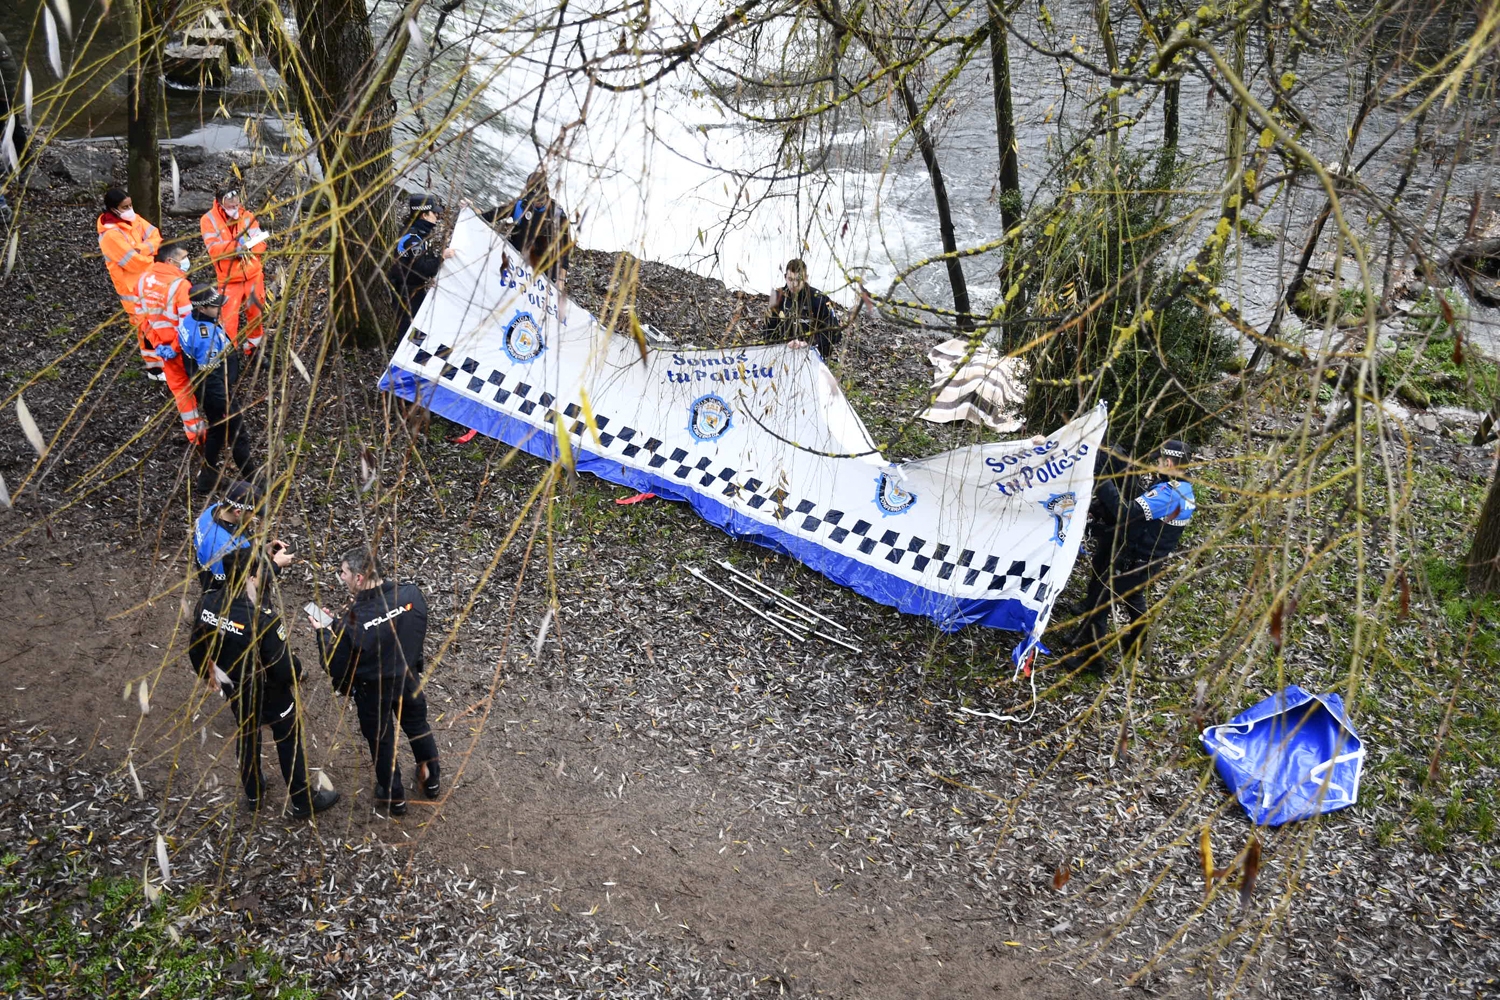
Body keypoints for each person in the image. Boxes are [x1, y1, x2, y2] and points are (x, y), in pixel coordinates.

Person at [188, 547, 339, 818]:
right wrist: (298, 669)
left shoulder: (207, 602)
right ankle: (302, 799)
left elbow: (196, 647)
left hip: (234, 687)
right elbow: (282, 666)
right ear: (252, 577)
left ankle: (254, 793)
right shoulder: (262, 619)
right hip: (269, 692)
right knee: (288, 738)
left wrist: (208, 675)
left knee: (247, 735)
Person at [311, 545, 440, 817]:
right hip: (409, 679)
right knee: (418, 727)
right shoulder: (411, 595)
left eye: (343, 572)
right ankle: (432, 779)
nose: (341, 577)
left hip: (374, 692)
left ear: (359, 577)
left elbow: (335, 665)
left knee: (382, 742)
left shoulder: (353, 621)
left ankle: (393, 797)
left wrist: (324, 633)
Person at [1059, 439, 1197, 672]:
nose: (1157, 465)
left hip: (1135, 561)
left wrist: (1102, 480)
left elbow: (1126, 512)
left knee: (1099, 606)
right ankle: (1137, 642)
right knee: (1134, 598)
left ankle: (1094, 661)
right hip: (1149, 561)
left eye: (1161, 461)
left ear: (1170, 462)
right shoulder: (1182, 488)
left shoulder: (1169, 494)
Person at [170, 283, 258, 493]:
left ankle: (206, 479)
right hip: (216, 392)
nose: (219, 309)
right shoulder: (204, 337)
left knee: (217, 432)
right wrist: (225, 401)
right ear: (201, 308)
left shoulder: (189, 321)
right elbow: (211, 375)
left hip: (207, 389)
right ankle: (255, 482)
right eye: (214, 306)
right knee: (238, 435)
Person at [135, 243, 203, 445]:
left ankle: (195, 435)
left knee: (181, 391)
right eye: (184, 257)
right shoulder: (180, 286)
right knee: (204, 383)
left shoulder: (142, 281)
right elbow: (187, 324)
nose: (187, 261)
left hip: (165, 351)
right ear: (170, 261)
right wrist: (173, 347)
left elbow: (142, 319)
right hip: (185, 349)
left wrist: (158, 346)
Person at [97, 188, 164, 379]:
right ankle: (154, 369)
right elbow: (133, 262)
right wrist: (150, 254)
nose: (130, 209)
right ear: (113, 209)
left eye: (130, 205)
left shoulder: (131, 219)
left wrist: (140, 248)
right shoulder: (111, 235)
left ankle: (160, 363)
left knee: (156, 323)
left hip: (147, 282)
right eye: (124, 207)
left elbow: (155, 235)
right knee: (145, 327)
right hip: (132, 289)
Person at [200, 186, 268, 352]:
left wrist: (250, 251)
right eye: (230, 206)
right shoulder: (208, 220)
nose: (234, 209)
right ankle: (229, 357)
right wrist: (235, 249)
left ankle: (253, 349)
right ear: (219, 203)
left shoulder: (247, 216)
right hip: (229, 279)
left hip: (253, 275)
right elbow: (213, 249)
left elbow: (261, 243)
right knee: (228, 320)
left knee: (256, 314)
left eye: (236, 205)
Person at [194, 480, 294, 591]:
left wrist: (264, 549)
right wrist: (276, 565)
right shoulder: (230, 549)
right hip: (224, 596)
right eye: (253, 513)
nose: (254, 517)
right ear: (238, 512)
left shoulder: (212, 511)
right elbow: (246, 587)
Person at [389, 193, 457, 339]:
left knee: (419, 326)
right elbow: (422, 267)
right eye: (434, 213)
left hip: (415, 287)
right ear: (424, 215)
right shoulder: (412, 238)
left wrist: (430, 277)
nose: (437, 216)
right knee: (408, 329)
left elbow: (425, 261)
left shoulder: (422, 233)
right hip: (405, 290)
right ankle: (400, 358)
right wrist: (442, 257)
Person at [502, 166, 573, 291]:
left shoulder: (558, 215)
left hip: (545, 269)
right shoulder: (520, 205)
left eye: (540, 199)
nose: (537, 203)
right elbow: (492, 215)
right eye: (534, 200)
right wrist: (471, 209)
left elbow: (565, 251)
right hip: (518, 261)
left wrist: (561, 280)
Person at [761, 259, 844, 358]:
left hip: (814, 354)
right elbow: (768, 332)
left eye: (798, 280)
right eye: (790, 279)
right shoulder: (777, 297)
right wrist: (784, 344)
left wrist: (809, 343)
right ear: (785, 277)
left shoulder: (819, 299)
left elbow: (835, 334)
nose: (794, 284)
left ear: (805, 278)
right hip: (783, 353)